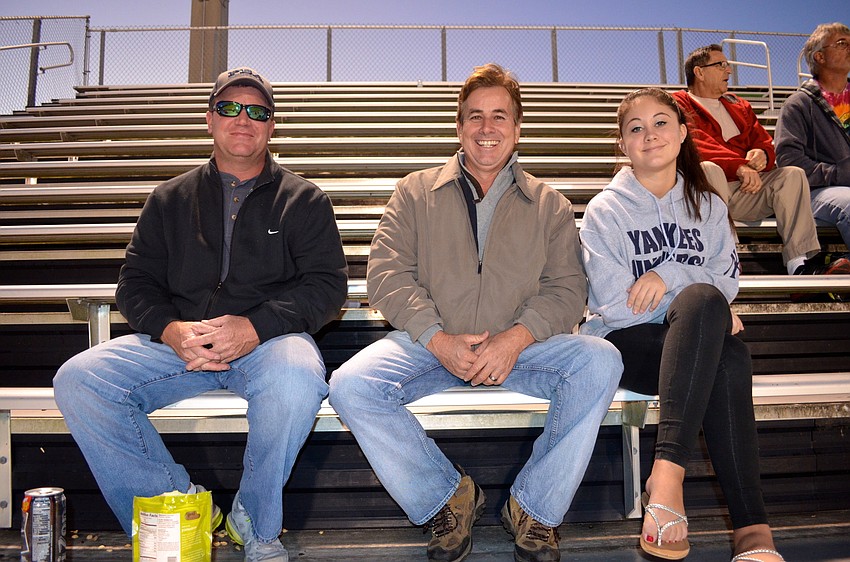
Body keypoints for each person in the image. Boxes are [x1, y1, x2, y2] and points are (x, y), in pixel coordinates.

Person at [328, 63, 623, 562]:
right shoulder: (416, 190)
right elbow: (385, 272)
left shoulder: (549, 204)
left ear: (518, 127)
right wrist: (436, 337)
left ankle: (534, 509)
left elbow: (568, 289)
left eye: (500, 117)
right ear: (460, 126)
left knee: (601, 360)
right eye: (475, 117)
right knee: (351, 384)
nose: (488, 129)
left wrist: (515, 338)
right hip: (431, 345)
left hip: (521, 349)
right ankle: (448, 498)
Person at [53, 67, 348, 562]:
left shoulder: (304, 199)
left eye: (258, 111)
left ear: (271, 126)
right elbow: (135, 283)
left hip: (268, 344)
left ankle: (254, 524)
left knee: (298, 379)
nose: (243, 119)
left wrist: (254, 327)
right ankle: (178, 507)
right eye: (230, 107)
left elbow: (326, 286)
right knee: (79, 379)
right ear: (210, 119)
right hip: (178, 344)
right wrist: (171, 330)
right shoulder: (169, 198)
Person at [579, 87, 784, 562]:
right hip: (627, 346)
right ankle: (745, 524)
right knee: (707, 313)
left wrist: (668, 277)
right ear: (622, 145)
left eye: (660, 123)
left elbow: (727, 281)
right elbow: (613, 304)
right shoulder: (604, 211)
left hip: (690, 351)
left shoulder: (709, 206)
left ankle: (673, 485)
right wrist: (697, 310)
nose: (649, 135)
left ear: (683, 133)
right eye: (636, 128)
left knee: (722, 340)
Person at [672, 44, 841, 277]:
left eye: (728, 65)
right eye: (720, 65)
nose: (728, 71)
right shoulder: (677, 103)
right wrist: (738, 166)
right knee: (708, 169)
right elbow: (693, 143)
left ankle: (800, 262)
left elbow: (762, 140)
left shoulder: (738, 104)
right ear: (699, 72)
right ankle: (724, 258)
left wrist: (762, 155)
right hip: (704, 193)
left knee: (792, 174)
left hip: (747, 192)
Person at [775, 22, 850, 255]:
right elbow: (789, 162)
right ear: (819, 56)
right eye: (841, 44)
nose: (849, 47)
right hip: (822, 190)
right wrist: (838, 173)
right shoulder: (798, 104)